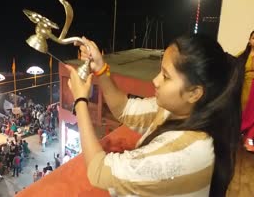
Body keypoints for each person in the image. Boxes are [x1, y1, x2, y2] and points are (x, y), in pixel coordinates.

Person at [65, 35, 242, 196]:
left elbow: (99, 172)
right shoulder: (176, 110)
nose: (155, 81)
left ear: (194, 93)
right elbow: (125, 108)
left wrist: (80, 100)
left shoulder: (185, 152)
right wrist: (101, 68)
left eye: (166, 76)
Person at [237, 30, 254, 151]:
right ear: (249, 40)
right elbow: (233, 63)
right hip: (244, 87)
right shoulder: (243, 54)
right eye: (253, 38)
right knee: (242, 111)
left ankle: (250, 140)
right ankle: (239, 137)